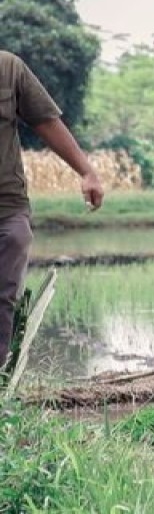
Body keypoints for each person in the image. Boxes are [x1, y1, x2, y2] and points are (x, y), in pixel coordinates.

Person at [0, 50, 105, 367]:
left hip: (7, 206)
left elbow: (45, 121)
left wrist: (86, 171)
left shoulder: (8, 67)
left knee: (4, 296)